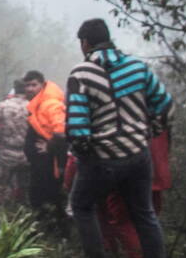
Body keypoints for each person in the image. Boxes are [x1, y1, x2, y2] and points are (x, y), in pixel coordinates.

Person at [65, 18, 172, 258]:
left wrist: (85, 158)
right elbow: (164, 104)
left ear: (85, 43)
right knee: (144, 214)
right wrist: (150, 131)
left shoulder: (81, 73)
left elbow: (77, 128)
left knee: (82, 206)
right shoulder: (137, 67)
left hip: (102, 159)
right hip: (138, 155)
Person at [22, 69, 67, 230]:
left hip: (49, 162)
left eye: (34, 85)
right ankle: (44, 229)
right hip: (40, 162)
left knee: (51, 197)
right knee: (41, 197)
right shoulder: (37, 104)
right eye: (27, 85)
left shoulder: (50, 103)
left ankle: (58, 234)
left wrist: (49, 146)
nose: (29, 89)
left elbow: (61, 132)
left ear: (42, 85)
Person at [0, 79, 31, 202]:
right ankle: (19, 210)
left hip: (7, 150)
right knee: (23, 186)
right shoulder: (32, 105)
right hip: (26, 153)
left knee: (2, 184)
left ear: (15, 89)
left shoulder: (4, 105)